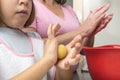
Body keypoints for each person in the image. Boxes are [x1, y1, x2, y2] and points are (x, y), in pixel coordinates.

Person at [0, 0, 83, 80]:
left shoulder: (36, 40)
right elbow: (46, 62)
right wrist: (47, 61)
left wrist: (62, 67)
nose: (25, 1)